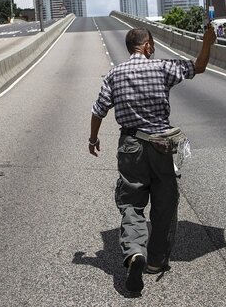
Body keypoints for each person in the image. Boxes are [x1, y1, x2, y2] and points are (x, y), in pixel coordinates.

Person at [88, 24, 216, 294]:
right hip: (161, 145)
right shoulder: (162, 67)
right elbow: (199, 67)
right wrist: (207, 42)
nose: (153, 47)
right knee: (164, 203)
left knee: (132, 205)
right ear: (146, 46)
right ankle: (156, 261)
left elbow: (98, 110)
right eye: (152, 44)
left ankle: (135, 253)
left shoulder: (114, 73)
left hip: (131, 145)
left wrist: (93, 139)